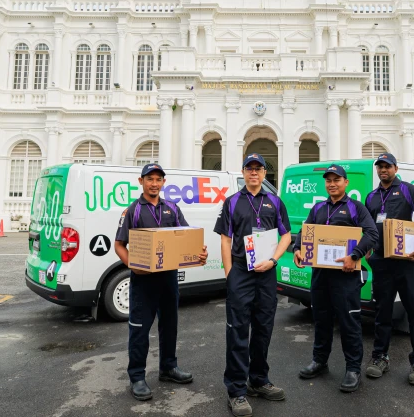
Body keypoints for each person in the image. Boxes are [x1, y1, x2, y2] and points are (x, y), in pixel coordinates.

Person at [114, 163, 208, 402]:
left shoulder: (173, 209)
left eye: (158, 179)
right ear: (141, 181)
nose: (154, 183)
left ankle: (168, 368)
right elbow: (119, 245)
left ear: (164, 183)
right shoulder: (132, 210)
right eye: (150, 179)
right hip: (143, 281)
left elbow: (187, 239)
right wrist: (133, 265)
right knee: (139, 329)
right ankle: (137, 376)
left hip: (168, 279)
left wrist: (199, 253)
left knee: (169, 325)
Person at [215, 153, 293, 417]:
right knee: (237, 329)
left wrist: (273, 259)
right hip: (241, 270)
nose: (254, 173)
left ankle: (258, 380)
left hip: (266, 272)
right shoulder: (233, 202)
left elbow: (286, 235)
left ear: (264, 174)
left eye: (258, 169)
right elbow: (226, 239)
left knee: (263, 327)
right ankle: (236, 390)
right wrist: (229, 274)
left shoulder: (275, 201)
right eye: (249, 169)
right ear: (244, 172)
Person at [293, 164, 379, 393]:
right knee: (321, 319)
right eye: (328, 180)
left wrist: (355, 255)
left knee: (349, 322)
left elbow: (372, 234)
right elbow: (305, 231)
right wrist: (298, 248)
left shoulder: (356, 208)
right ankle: (319, 361)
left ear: (346, 182)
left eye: (336, 179)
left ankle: (353, 369)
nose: (332, 184)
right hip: (320, 275)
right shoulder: (318, 208)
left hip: (346, 276)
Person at [362, 153, 414, 386]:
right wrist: (366, 251)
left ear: (395, 167)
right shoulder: (371, 196)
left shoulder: (407, 190)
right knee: (382, 314)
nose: (383, 170)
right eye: (380, 167)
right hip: (382, 264)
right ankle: (380, 358)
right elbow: (365, 227)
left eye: (387, 166)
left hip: (407, 264)